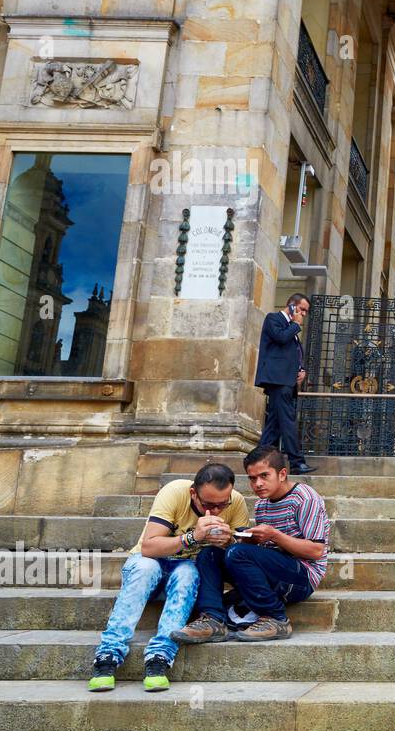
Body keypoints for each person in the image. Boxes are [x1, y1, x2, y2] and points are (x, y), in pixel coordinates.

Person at [88, 463, 250, 692]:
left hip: (184, 575)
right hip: (148, 565)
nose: (215, 511)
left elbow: (241, 552)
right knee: (146, 569)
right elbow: (149, 547)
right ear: (194, 493)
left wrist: (228, 542)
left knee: (188, 572)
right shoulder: (175, 492)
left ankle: (160, 657)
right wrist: (193, 537)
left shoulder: (236, 502)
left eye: (222, 504)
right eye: (208, 505)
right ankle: (107, 655)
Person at [173, 446, 331, 644]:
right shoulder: (262, 504)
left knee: (238, 553)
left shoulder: (305, 498)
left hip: (302, 578)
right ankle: (213, 620)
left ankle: (276, 618)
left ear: (282, 474)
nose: (258, 483)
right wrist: (246, 540)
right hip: (273, 573)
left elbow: (316, 551)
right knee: (210, 553)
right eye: (252, 478)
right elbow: (266, 552)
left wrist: (274, 535)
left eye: (264, 476)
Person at [256, 293, 315, 475]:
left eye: (306, 311)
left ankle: (259, 460)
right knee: (288, 420)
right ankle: (297, 462)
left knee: (274, 424)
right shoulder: (274, 319)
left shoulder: (291, 328)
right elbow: (280, 338)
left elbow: (292, 352)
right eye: (302, 310)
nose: (304, 314)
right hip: (278, 380)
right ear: (291, 306)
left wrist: (301, 369)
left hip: (286, 380)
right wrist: (296, 324)